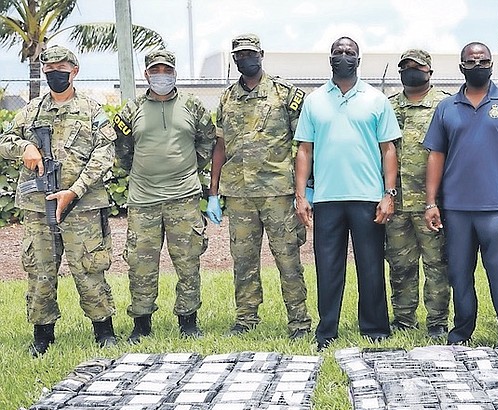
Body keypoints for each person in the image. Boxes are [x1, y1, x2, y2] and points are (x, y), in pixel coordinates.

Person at [0, 46, 118, 356]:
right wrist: (24, 147)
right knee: (40, 270)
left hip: (82, 205)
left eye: (61, 66)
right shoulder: (30, 111)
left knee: (89, 268)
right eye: (49, 67)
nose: (55, 71)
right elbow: (5, 141)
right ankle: (42, 335)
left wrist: (75, 190)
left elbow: (106, 153)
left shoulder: (92, 110)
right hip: (39, 207)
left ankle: (103, 330)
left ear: (74, 70)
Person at [423, 42, 498, 348]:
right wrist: (431, 202)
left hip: (497, 208)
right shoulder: (446, 108)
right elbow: (435, 156)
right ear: (461, 67)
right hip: (457, 210)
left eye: (483, 60)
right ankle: (461, 334)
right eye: (470, 62)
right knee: (459, 277)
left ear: (492, 64)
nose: (477, 65)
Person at [294, 36, 401, 351]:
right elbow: (304, 150)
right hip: (327, 198)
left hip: (368, 197)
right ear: (330, 58)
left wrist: (389, 193)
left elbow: (388, 149)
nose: (344, 56)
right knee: (328, 268)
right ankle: (327, 330)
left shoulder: (375, 99)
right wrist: (301, 195)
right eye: (338, 52)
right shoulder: (314, 101)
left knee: (370, 266)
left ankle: (375, 328)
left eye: (349, 53)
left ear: (359, 59)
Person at [207, 34, 311, 339]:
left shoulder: (285, 94)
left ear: (261, 54)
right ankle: (246, 319)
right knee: (244, 261)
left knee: (288, 258)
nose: (245, 59)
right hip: (239, 194)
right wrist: (213, 193)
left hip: (278, 192)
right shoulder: (227, 98)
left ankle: (299, 321)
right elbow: (220, 146)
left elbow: (306, 143)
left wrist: (306, 189)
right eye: (239, 55)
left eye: (250, 53)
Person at [114, 49, 215, 343]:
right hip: (143, 200)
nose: (162, 76)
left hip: (183, 198)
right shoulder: (130, 111)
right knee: (141, 264)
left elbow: (207, 140)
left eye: (167, 70)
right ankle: (142, 323)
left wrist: (190, 168)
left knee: (188, 262)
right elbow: (122, 151)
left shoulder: (193, 107)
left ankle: (188, 321)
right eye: (156, 71)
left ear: (175, 73)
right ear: (146, 75)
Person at [386, 49, 451, 339]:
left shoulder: (446, 105)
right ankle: (403, 319)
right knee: (400, 265)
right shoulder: (388, 106)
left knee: (437, 265)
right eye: (406, 67)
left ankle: (437, 321)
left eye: (417, 67)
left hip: (433, 203)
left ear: (430, 72)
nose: (411, 71)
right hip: (396, 202)